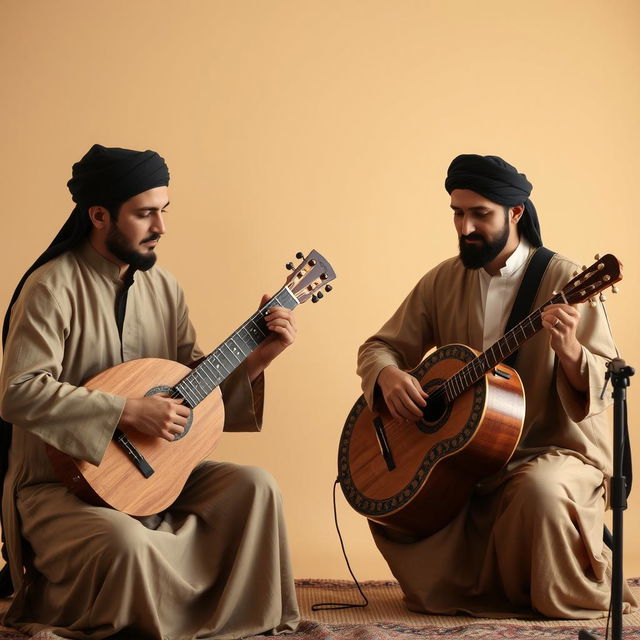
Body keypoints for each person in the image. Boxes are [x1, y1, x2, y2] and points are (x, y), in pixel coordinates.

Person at [0, 144, 300, 639]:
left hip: (154, 475)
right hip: (62, 488)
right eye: (145, 214)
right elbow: (18, 392)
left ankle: (245, 620)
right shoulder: (51, 288)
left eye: (164, 210)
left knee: (257, 488)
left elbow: (191, 386)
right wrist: (125, 411)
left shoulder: (165, 289)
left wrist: (259, 356)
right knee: (127, 544)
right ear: (99, 215)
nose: (161, 227)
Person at [356, 154, 638, 619]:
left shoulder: (565, 280)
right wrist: (387, 375)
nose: (465, 227)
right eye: (457, 213)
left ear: (515, 213)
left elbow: (607, 383)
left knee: (539, 492)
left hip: (553, 450)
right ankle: (468, 593)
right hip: (469, 454)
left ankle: (555, 597)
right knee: (390, 494)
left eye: (479, 214)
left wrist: (568, 350)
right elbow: (379, 346)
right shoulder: (443, 279)